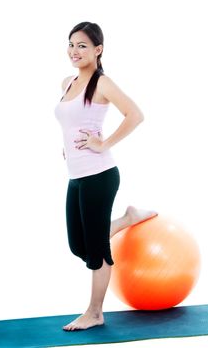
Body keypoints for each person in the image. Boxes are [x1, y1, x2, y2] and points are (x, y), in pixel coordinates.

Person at [54, 21, 157, 331]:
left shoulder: (102, 83)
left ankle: (95, 313)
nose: (74, 51)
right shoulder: (67, 82)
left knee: (97, 250)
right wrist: (68, 148)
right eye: (71, 44)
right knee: (78, 245)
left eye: (82, 45)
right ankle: (127, 219)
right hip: (77, 174)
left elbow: (135, 115)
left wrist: (103, 143)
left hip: (100, 174)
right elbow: (74, 121)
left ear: (98, 50)